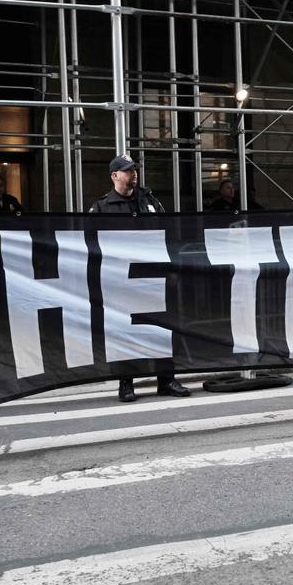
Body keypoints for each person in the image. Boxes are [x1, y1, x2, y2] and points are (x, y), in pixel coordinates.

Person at [89, 154, 192, 402]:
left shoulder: (149, 200)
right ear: (115, 176)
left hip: (153, 275)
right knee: (124, 330)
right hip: (122, 278)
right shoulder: (102, 206)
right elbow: (91, 242)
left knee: (163, 327)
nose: (133, 174)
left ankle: (166, 380)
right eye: (127, 171)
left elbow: (167, 230)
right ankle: (126, 383)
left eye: (135, 169)